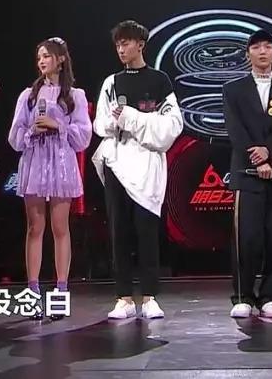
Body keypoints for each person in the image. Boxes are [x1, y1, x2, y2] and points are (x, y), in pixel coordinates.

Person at [91, 20, 183, 320]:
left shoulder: (160, 81)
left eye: (126, 43)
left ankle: (150, 296)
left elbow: (171, 125)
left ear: (140, 45)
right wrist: (119, 121)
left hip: (147, 167)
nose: (121, 49)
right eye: (118, 45)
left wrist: (131, 118)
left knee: (147, 231)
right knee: (119, 232)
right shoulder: (112, 82)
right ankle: (123, 297)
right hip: (117, 164)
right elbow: (100, 124)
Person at [8, 37, 92, 320]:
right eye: (39, 57)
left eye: (46, 56)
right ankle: (32, 293)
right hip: (35, 161)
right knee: (35, 228)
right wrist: (32, 130)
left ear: (61, 59)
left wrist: (59, 125)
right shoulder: (28, 96)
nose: (42, 61)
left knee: (60, 228)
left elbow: (83, 136)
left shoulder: (75, 96)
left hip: (61, 164)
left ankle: (60, 292)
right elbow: (14, 137)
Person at [222, 29, 272, 318]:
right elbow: (235, 130)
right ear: (248, 55)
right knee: (247, 238)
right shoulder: (233, 90)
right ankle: (242, 296)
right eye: (256, 47)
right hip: (246, 175)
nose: (262, 52)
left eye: (267, 47)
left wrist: (269, 152)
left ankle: (270, 297)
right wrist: (257, 160)